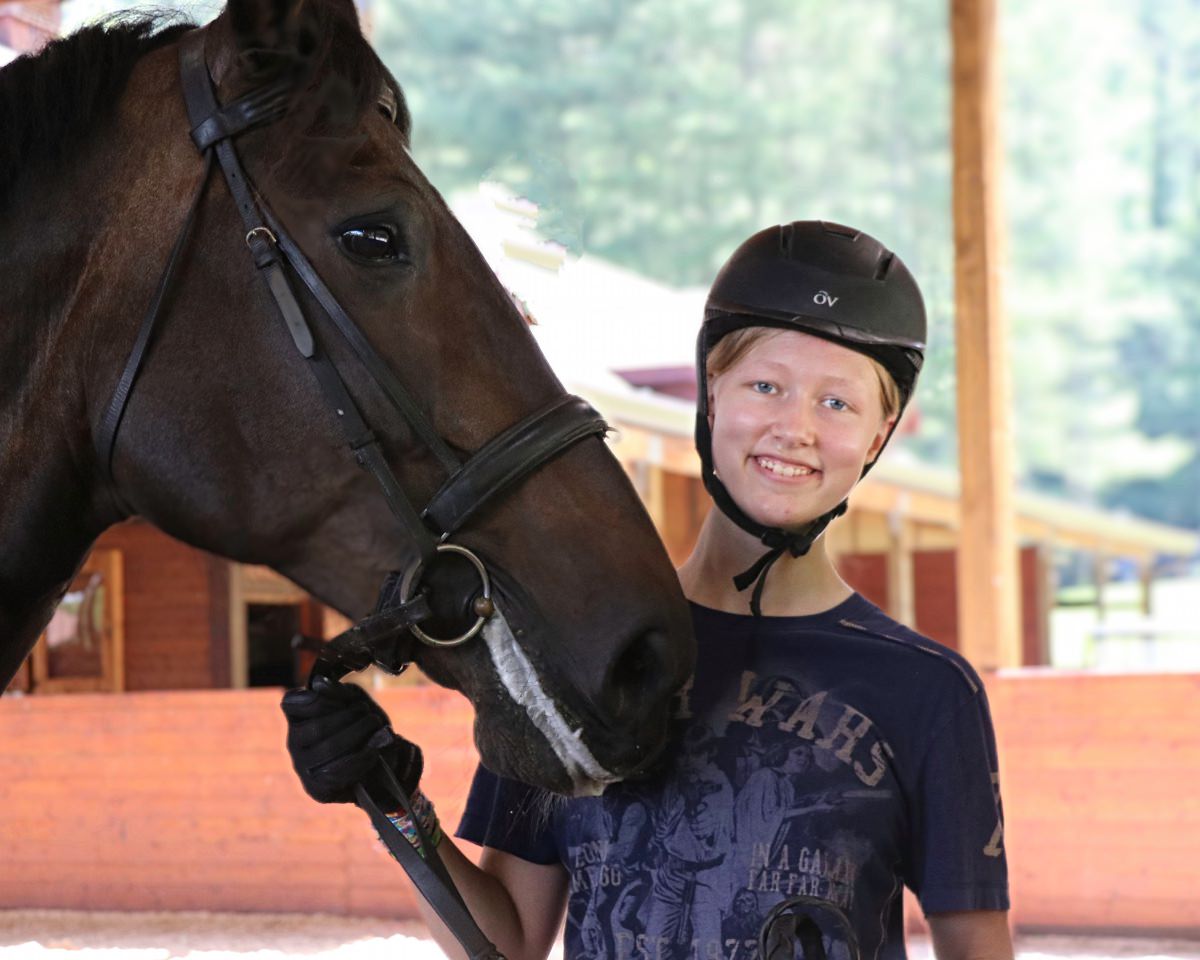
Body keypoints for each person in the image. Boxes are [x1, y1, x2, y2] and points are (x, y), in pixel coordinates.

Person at [282, 220, 1013, 960]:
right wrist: (395, 805)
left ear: (880, 434)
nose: (796, 427)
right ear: (711, 395)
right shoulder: (579, 650)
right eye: (766, 386)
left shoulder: (930, 692)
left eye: (838, 404)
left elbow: (977, 949)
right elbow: (504, 944)